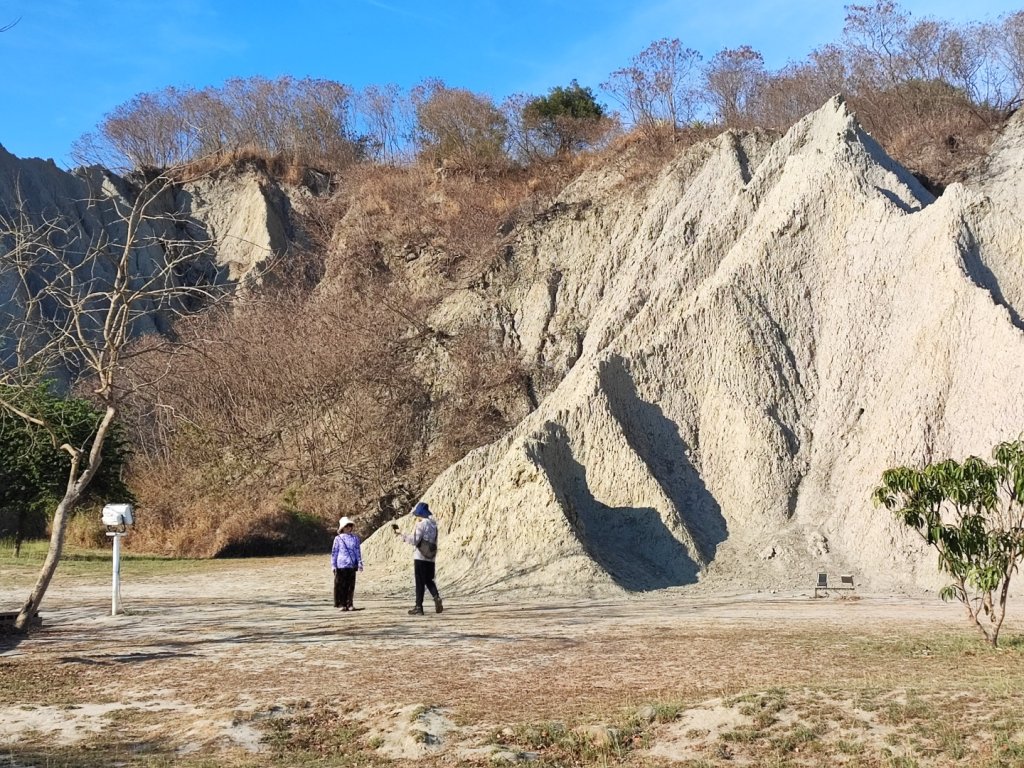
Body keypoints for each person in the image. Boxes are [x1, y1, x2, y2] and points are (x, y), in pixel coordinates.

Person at [393, 501, 442, 615]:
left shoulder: (421, 524)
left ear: (420, 513)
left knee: (420, 582)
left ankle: (418, 606)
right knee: (429, 580)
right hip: (431, 557)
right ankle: (436, 596)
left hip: (420, 556)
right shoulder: (433, 524)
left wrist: (402, 535)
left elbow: (414, 540)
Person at [331, 517, 363, 611]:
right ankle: (342, 604)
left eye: (350, 526)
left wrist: (360, 563)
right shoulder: (338, 539)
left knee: (350, 586)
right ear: (342, 528)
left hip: (352, 565)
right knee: (341, 586)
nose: (349, 527)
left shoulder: (355, 538)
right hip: (341, 565)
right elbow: (334, 552)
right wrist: (333, 565)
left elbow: (358, 551)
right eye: (346, 526)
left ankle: (350, 604)